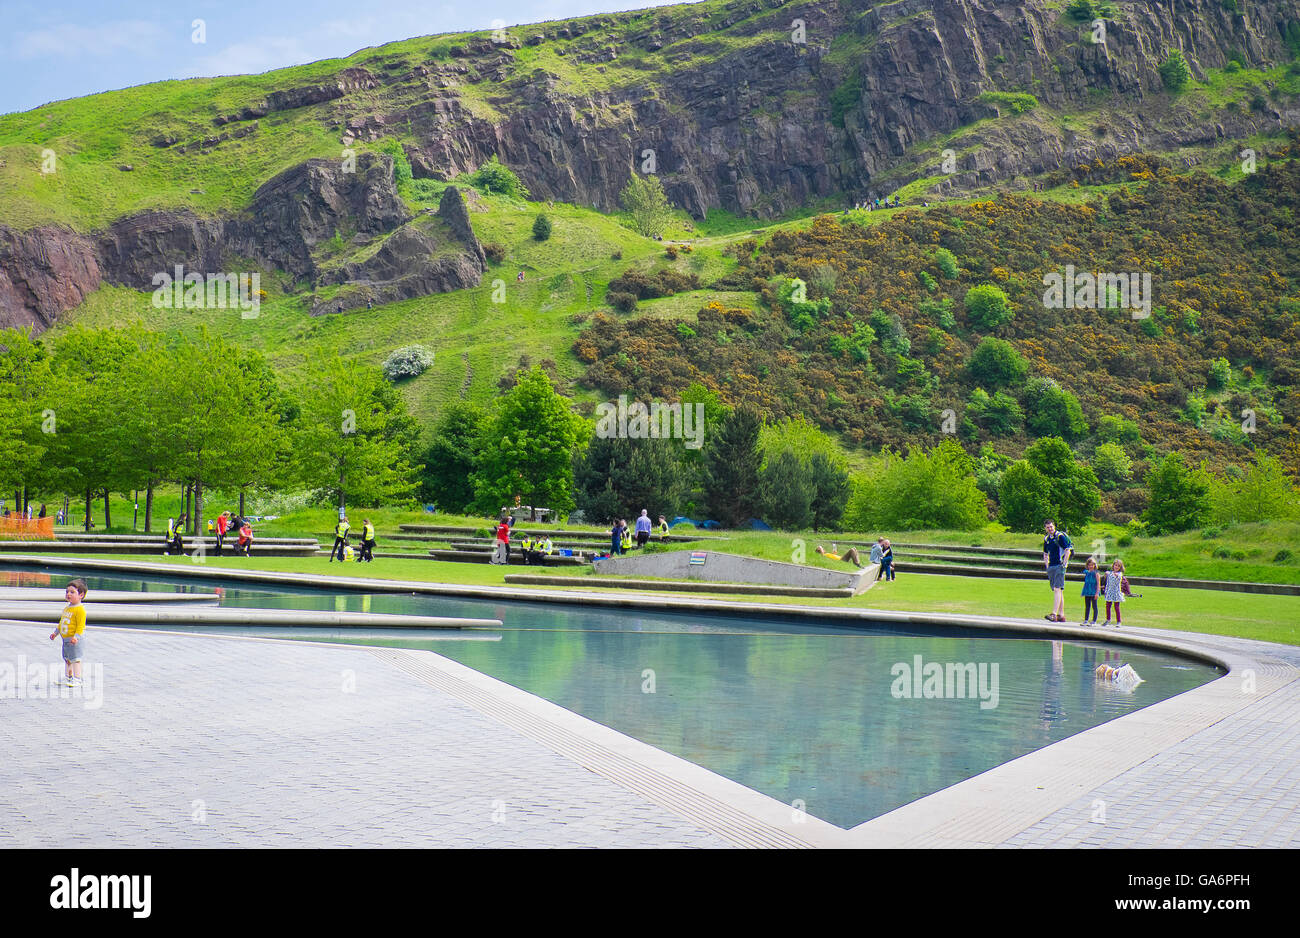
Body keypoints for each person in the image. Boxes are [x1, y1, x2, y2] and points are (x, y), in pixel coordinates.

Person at [49, 579, 88, 687]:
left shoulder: (80, 610)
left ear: (81, 595)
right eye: (67, 592)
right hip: (65, 640)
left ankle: (77, 678)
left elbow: (80, 626)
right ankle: (68, 677)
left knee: (75, 660)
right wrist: (55, 633)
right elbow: (62, 623)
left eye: (72, 592)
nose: (68, 594)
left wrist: (76, 637)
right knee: (67, 659)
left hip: (74, 640)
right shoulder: (67, 608)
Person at [1042, 519, 1073, 622]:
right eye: (1048, 527)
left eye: (1051, 526)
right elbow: (1045, 553)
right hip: (1051, 566)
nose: (1050, 529)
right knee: (1059, 590)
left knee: (1057, 589)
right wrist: (1047, 566)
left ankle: (1054, 614)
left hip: (1059, 566)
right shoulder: (1046, 538)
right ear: (1045, 528)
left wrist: (1064, 565)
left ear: (1054, 526)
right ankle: (1061, 615)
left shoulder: (1060, 536)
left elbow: (1067, 550)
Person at [1100, 558, 1133, 627]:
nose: (1116, 567)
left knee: (1116, 607)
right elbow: (1108, 582)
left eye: (1118, 566)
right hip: (1109, 592)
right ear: (1113, 565)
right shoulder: (1110, 573)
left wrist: (1113, 574)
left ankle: (1119, 621)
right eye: (1115, 565)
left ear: (1120, 568)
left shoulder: (1119, 574)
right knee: (1108, 606)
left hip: (1116, 592)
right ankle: (1108, 620)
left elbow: (1118, 576)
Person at [1080, 556, 1100, 626]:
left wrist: (1097, 593)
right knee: (1087, 606)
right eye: (1089, 565)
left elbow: (1098, 584)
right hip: (1087, 592)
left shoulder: (1096, 573)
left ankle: (1094, 620)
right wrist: (1083, 592)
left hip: (1093, 592)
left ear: (1094, 565)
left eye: (1092, 565)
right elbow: (1086, 583)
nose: (1091, 566)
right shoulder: (1087, 573)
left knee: (1094, 606)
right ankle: (1086, 620)